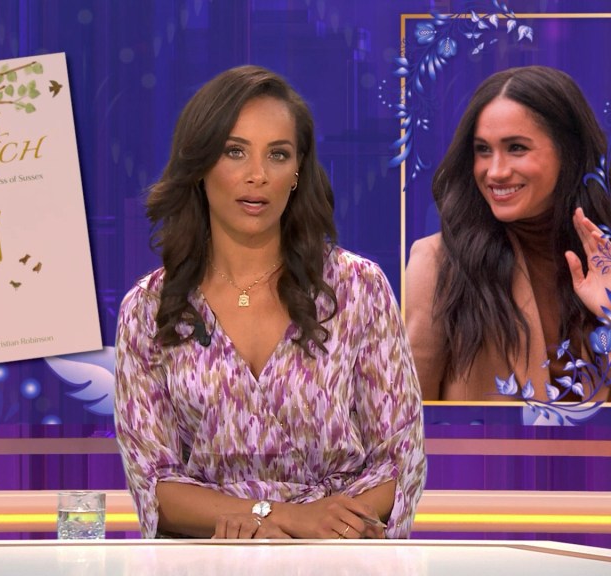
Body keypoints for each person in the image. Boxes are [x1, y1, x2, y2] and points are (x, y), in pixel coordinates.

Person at [114, 65, 425, 539]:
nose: (257, 175)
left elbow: (400, 461)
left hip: (339, 555)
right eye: (234, 152)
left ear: (297, 172)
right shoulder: (148, 309)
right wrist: (283, 517)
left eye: (278, 155)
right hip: (212, 558)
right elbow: (155, 483)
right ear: (199, 166)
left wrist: (329, 530)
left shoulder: (359, 288)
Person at [406, 65, 611, 403]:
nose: (495, 171)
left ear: (568, 151)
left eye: (516, 148)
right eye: (483, 150)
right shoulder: (438, 265)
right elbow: (406, 417)